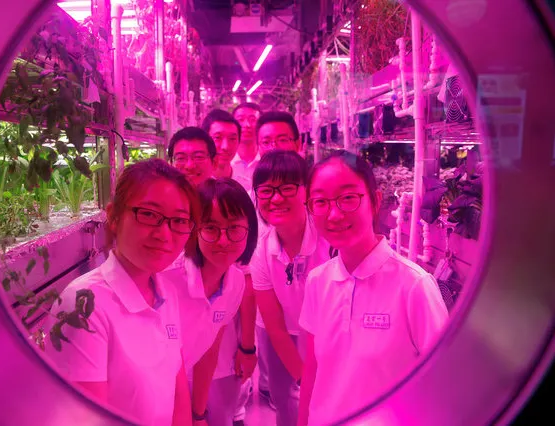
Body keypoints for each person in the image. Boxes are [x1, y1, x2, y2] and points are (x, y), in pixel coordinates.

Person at [44, 159, 200, 426]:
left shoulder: (166, 293)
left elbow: (177, 387)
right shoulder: (82, 305)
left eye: (179, 221)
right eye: (149, 214)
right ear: (114, 216)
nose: (164, 234)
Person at [298, 150, 449, 425]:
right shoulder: (318, 281)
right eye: (320, 202)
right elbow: (314, 370)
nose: (333, 214)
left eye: (347, 199)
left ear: (375, 200)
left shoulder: (414, 287)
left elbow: (444, 387)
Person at [160, 178, 259, 426]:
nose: (223, 240)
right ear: (194, 230)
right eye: (211, 228)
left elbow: (209, 350)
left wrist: (198, 413)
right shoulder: (166, 278)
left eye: (234, 228)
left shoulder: (235, 282)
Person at [250, 150, 332, 426]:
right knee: (284, 401)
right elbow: (273, 326)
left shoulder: (327, 237)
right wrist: (303, 376)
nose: (276, 198)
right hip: (282, 333)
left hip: (326, 333)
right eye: (266, 190)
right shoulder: (262, 250)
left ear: (305, 191)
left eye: (287, 188)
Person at [201, 109, 241, 180]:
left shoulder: (247, 186)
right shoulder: (196, 186)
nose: (225, 147)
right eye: (217, 138)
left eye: (232, 139)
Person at [231, 103, 262, 193]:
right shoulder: (226, 162)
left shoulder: (266, 162)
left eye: (252, 120)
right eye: (241, 119)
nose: (247, 125)